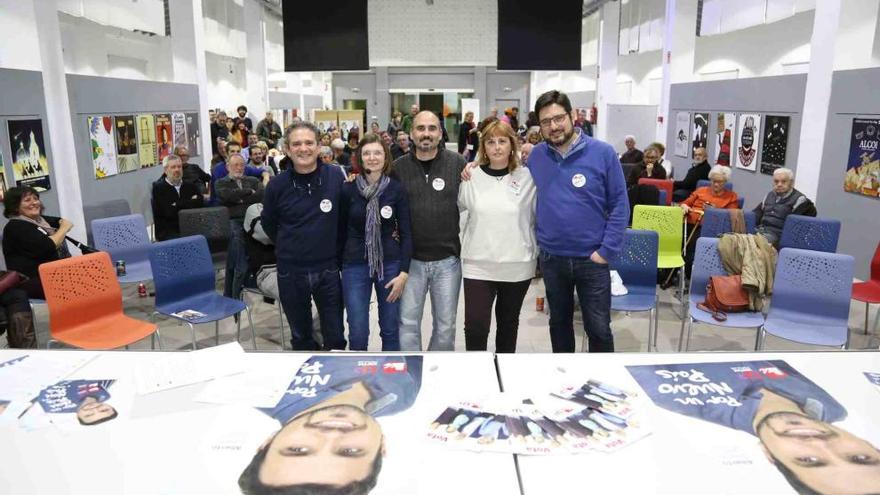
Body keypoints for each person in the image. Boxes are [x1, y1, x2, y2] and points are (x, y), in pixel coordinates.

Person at [476, 90, 628, 353]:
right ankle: (565, 382)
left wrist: (606, 251)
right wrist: (473, 168)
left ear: (572, 116)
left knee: (598, 328)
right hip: (552, 259)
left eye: (559, 118)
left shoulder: (603, 153)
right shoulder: (536, 157)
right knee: (559, 324)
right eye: (546, 122)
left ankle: (604, 383)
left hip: (592, 259)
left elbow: (619, 204)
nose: (554, 126)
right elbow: (504, 175)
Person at [627, 360, 880, 495]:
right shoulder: (834, 403)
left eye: (809, 459)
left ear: (769, 455)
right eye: (859, 457)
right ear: (869, 445)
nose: (820, 444)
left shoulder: (679, 403)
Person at [238, 355, 422, 494]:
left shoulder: (256, 383)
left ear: (269, 441)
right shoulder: (403, 396)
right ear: (381, 447)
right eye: (349, 451)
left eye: (299, 449)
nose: (332, 435)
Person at [261, 122, 348, 351]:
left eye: (309, 143)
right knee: (301, 337)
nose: (303, 148)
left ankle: (336, 383)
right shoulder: (276, 186)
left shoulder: (335, 177)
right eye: (296, 144)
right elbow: (269, 224)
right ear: (287, 150)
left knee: (336, 337)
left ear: (319, 147)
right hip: (291, 271)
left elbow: (345, 219)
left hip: (328, 270)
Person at [458, 120, 536, 353]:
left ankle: (503, 377)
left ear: (512, 145)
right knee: (475, 327)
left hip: (517, 264)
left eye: (502, 141)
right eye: (491, 142)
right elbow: (460, 212)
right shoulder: (470, 176)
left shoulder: (528, 177)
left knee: (508, 325)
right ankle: (478, 376)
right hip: (478, 264)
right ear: (483, 147)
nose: (497, 147)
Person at [391, 110, 466, 351]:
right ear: (411, 134)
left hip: (447, 262)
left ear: (440, 133)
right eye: (421, 128)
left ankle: (438, 375)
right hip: (410, 263)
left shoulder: (457, 164)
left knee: (445, 327)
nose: (426, 134)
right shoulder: (397, 168)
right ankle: (411, 377)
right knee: (408, 323)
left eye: (432, 128)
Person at [340, 134, 412, 351]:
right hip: (354, 264)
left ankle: (390, 378)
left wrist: (404, 272)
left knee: (390, 328)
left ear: (385, 157)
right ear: (360, 158)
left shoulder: (396, 189)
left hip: (389, 264)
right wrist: (338, 266)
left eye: (377, 153)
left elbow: (407, 233)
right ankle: (358, 379)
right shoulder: (348, 189)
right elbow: (339, 230)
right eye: (367, 153)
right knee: (358, 330)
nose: (372, 158)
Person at [2, 186, 75, 300]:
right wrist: (64, 228)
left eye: (35, 198)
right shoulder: (15, 227)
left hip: (53, 273)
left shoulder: (39, 221)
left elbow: (60, 221)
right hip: (32, 280)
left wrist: (63, 225)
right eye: (27, 200)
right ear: (15, 206)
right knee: (82, 281)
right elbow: (50, 245)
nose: (34, 203)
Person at [216, 154, 264, 300]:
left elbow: (261, 196)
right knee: (237, 243)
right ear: (227, 167)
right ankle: (238, 283)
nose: (239, 168)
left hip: (253, 220)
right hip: (233, 221)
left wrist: (239, 197)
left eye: (241, 165)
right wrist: (249, 193)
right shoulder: (221, 183)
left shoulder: (253, 180)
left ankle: (234, 290)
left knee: (236, 250)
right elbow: (226, 197)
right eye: (235, 165)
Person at [679, 165, 738, 278]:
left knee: (693, 245)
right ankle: (686, 273)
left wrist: (715, 211)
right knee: (683, 243)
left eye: (720, 182)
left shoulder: (731, 197)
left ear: (725, 182)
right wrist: (685, 206)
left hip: (713, 229)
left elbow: (732, 216)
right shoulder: (701, 191)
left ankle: (694, 274)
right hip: (692, 224)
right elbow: (684, 203)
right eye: (714, 181)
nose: (716, 184)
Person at [753, 167, 817, 248]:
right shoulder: (769, 195)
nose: (779, 184)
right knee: (738, 239)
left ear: (791, 183)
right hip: (761, 230)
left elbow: (795, 228)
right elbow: (756, 213)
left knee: (752, 243)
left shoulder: (799, 200)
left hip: (778, 235)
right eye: (776, 181)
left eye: (783, 181)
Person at [152, 155, 205, 241]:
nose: (177, 170)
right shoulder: (158, 188)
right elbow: (169, 212)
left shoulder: (190, 185)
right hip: (169, 231)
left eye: (179, 167)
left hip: (191, 227)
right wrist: (190, 202)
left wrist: (177, 204)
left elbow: (200, 204)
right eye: (173, 167)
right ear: (165, 170)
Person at [35, 379, 118, 426]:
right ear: (110, 407)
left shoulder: (52, 406)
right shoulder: (104, 392)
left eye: (88, 415)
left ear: (78, 416)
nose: (94, 409)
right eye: (103, 410)